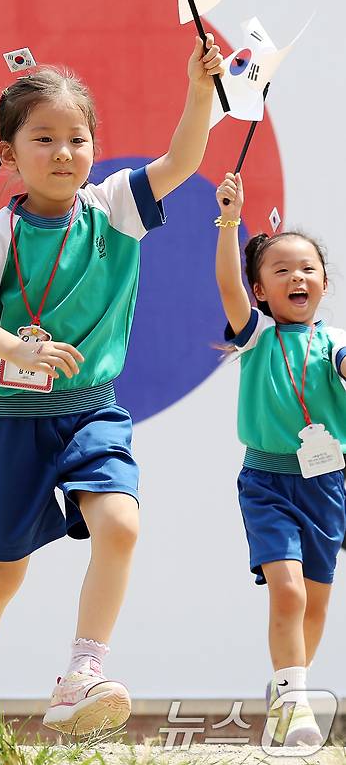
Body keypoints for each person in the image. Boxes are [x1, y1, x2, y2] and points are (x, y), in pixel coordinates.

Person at [0, 35, 224, 754]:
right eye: (44, 138)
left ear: (96, 147)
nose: (64, 152)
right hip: (15, 416)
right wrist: (13, 347)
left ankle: (82, 673)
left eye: (78, 138)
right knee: (2, 570)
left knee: (120, 522)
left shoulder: (115, 205)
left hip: (93, 411)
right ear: (10, 153)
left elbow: (182, 160)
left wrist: (200, 88)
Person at [215, 171, 346, 750]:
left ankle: (289, 688)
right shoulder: (254, 336)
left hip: (328, 481)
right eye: (280, 269)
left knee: (315, 601)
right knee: (288, 592)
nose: (297, 276)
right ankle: (294, 703)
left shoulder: (337, 341)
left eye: (307, 269)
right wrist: (228, 221)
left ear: (323, 283)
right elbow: (226, 284)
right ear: (261, 291)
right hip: (267, 481)